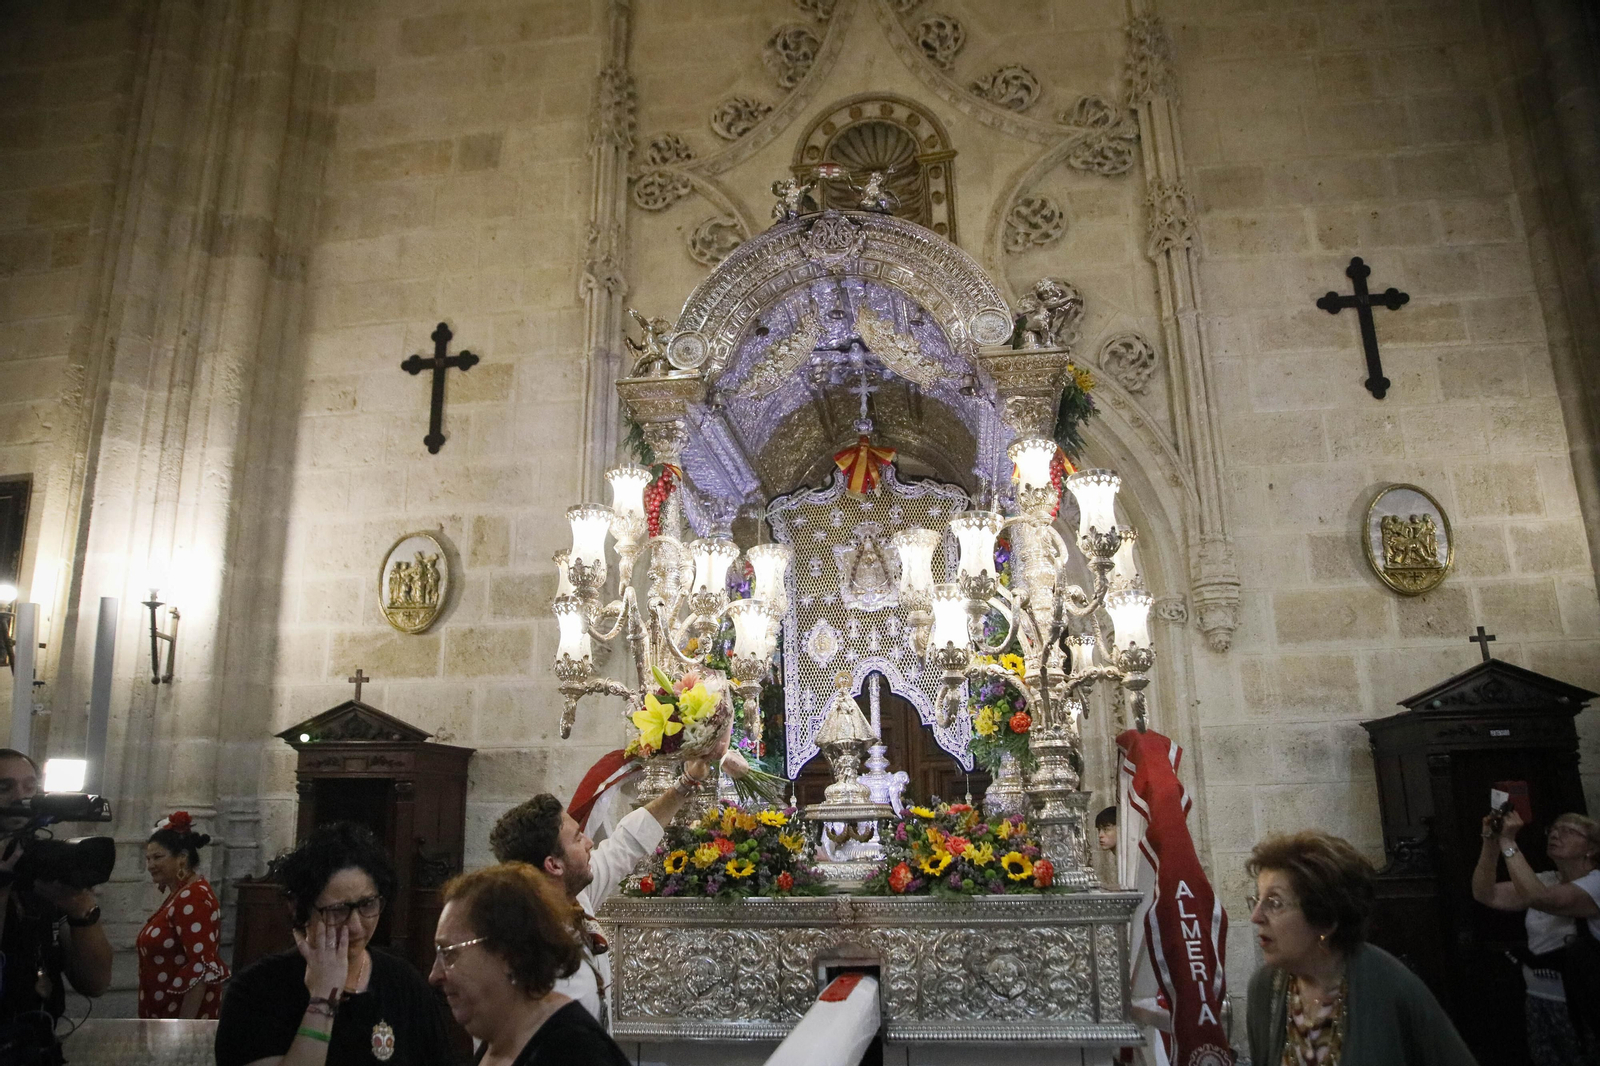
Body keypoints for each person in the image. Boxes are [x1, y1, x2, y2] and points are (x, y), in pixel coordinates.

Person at [488, 727, 730, 1027]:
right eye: (577, 838)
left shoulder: (575, 895)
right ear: (553, 865)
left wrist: (687, 782)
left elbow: (626, 843)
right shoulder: (523, 949)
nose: (589, 843)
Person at [215, 821, 451, 1066]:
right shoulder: (257, 990)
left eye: (367, 905)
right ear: (298, 908)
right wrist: (322, 1001)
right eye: (338, 911)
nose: (357, 926)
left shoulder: (404, 984)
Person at [1245, 829, 1478, 1066]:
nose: (1256, 916)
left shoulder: (1390, 985)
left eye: (1274, 903)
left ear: (1325, 918)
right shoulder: (1265, 988)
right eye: (1256, 900)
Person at [430, 863, 629, 1066]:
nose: (434, 975)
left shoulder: (574, 1053)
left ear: (509, 954)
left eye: (449, 953)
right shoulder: (500, 1040)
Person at [0, 748, 112, 1064]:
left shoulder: (43, 868)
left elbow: (96, 983)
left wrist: (80, 909)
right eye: (4, 787)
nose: (20, 798)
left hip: (40, 1048)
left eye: (29, 786)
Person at [1473, 809, 1600, 1063]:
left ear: (1592, 849)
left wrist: (1508, 842)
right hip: (1539, 999)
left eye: (1568, 831)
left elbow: (1540, 899)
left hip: (1583, 1002)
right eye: (1553, 829)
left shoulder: (1596, 883)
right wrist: (1491, 841)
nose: (1555, 834)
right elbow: (1486, 894)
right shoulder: (1544, 880)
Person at [137, 810, 230, 1018]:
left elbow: (201, 969)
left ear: (182, 858)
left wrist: (184, 1031)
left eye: (158, 857)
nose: (150, 865)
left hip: (177, 1023)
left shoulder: (193, 897)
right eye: (148, 858)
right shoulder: (181, 894)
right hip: (163, 1015)